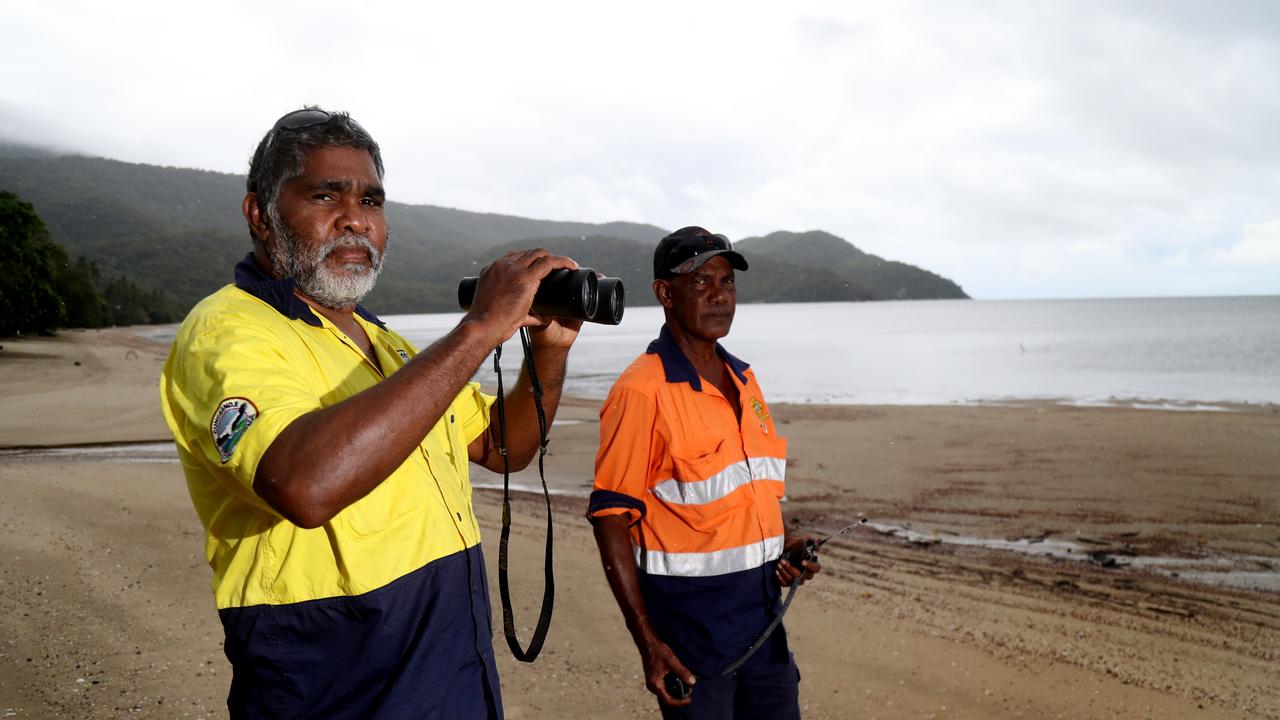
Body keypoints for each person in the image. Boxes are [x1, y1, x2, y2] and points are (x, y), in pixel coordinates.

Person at [159, 107, 581, 720]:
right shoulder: (228, 332)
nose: (354, 220)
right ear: (261, 215)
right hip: (333, 676)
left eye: (372, 201)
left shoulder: (390, 347)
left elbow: (503, 447)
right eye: (325, 195)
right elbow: (304, 486)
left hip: (444, 662)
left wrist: (547, 352)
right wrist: (481, 329)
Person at [588, 226, 821, 719]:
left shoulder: (745, 379)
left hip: (764, 622)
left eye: (727, 282)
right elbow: (611, 517)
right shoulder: (641, 391)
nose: (720, 296)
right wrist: (647, 642)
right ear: (665, 294)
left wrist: (785, 547)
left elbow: (748, 496)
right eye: (701, 283)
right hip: (690, 633)